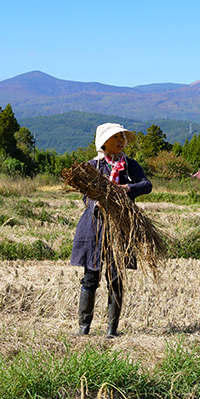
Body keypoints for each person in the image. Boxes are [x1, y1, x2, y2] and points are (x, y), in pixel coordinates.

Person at [71, 123, 152, 337]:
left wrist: (128, 189)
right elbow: (85, 195)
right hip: (94, 227)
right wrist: (95, 202)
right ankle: (83, 328)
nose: (120, 140)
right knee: (90, 277)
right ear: (103, 142)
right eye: (115, 137)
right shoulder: (93, 166)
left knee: (116, 278)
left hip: (121, 228)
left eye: (122, 137)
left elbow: (146, 185)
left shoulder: (129, 165)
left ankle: (111, 330)